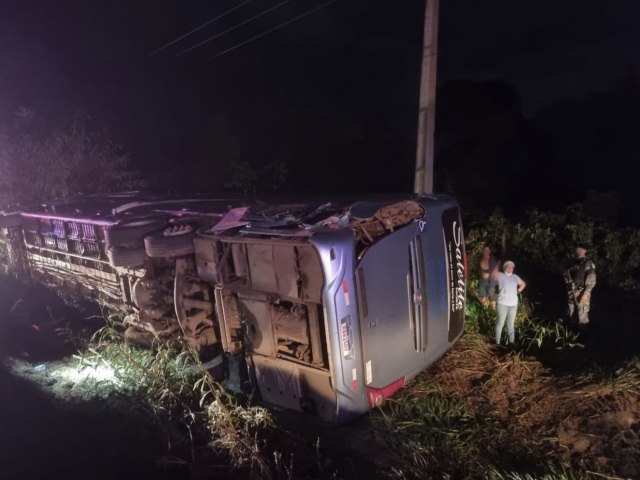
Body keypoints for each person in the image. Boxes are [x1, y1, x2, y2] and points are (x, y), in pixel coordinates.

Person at [490, 260, 526, 346]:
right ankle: (497, 343)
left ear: (513, 269)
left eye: (511, 267)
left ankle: (512, 342)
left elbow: (523, 284)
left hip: (513, 304)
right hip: (502, 303)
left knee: (510, 324)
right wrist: (493, 300)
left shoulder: (515, 277)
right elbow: (492, 284)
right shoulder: (500, 275)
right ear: (504, 268)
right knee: (500, 323)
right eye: (508, 266)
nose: (510, 268)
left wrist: (518, 291)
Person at [563, 243, 596, 327]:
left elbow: (591, 279)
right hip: (571, 291)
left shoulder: (587, 262)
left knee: (582, 314)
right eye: (577, 248)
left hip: (582, 291)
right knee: (571, 313)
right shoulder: (573, 263)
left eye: (579, 248)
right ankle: (572, 333)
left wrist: (586, 293)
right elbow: (566, 275)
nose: (577, 250)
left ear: (583, 251)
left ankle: (583, 335)